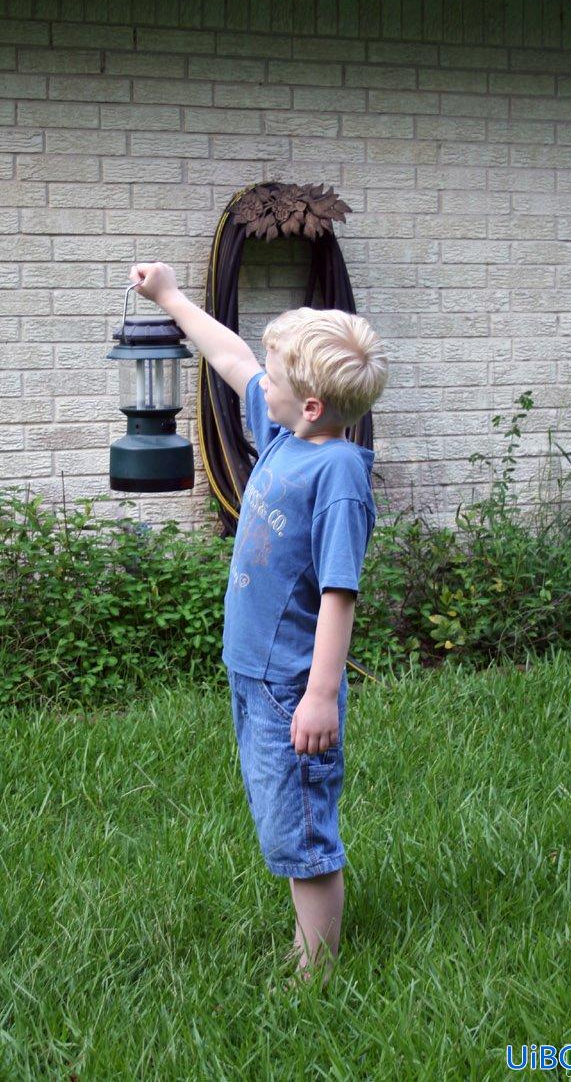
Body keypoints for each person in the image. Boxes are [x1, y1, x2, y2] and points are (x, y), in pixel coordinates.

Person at [127, 262, 389, 988]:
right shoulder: (286, 439)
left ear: (309, 405)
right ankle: (312, 946)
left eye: (274, 381)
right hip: (252, 672)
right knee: (278, 810)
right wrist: (171, 298)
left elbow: (340, 592)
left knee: (299, 824)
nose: (258, 385)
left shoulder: (336, 472)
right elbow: (234, 358)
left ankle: (318, 969)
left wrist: (320, 695)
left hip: (290, 684)